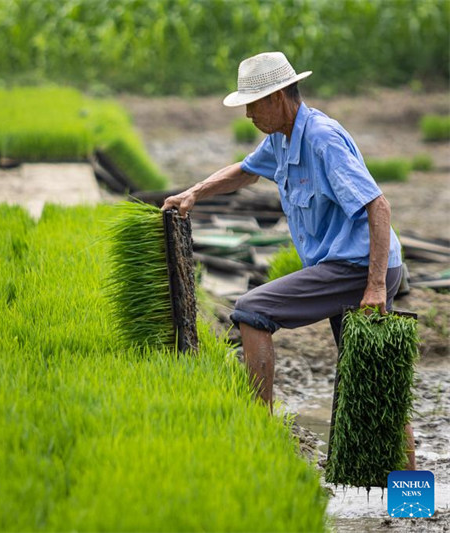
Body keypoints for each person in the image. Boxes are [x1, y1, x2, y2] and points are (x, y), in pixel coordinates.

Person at [162, 51, 415, 469]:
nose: (247, 113)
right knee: (373, 377)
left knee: (252, 309)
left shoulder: (321, 138)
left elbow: (379, 206)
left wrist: (373, 287)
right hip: (344, 266)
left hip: (358, 266)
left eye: (254, 102)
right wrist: (194, 193)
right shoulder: (281, 138)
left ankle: (257, 431)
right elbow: (244, 171)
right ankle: (413, 502)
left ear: (279, 96)